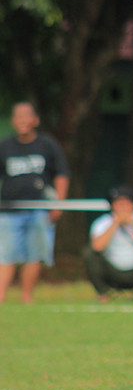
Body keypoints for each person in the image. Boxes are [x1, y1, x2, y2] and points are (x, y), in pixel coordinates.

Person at [0, 102, 69, 303]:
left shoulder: (47, 144)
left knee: (35, 254)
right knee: (6, 254)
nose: (22, 120)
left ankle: (26, 297)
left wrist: (58, 204)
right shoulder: (5, 146)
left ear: (35, 120)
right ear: (13, 121)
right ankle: (1, 297)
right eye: (18, 116)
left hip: (40, 210)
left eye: (26, 116)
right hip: (8, 210)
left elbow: (62, 174)